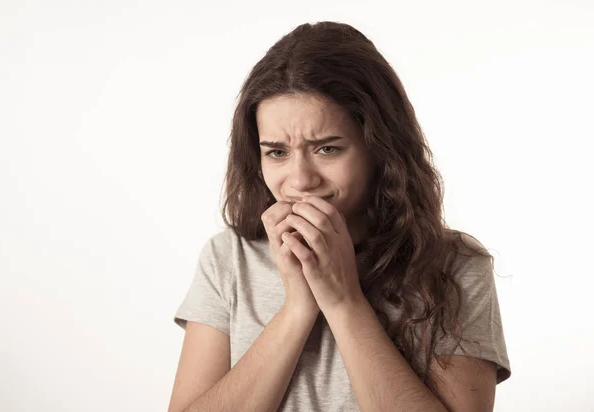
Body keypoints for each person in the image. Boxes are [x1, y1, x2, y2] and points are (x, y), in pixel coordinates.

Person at [168, 21, 511, 412]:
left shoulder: (455, 264)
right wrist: (297, 307)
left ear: (381, 148)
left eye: (327, 149)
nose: (300, 180)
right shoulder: (229, 259)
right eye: (277, 153)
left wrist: (343, 300)